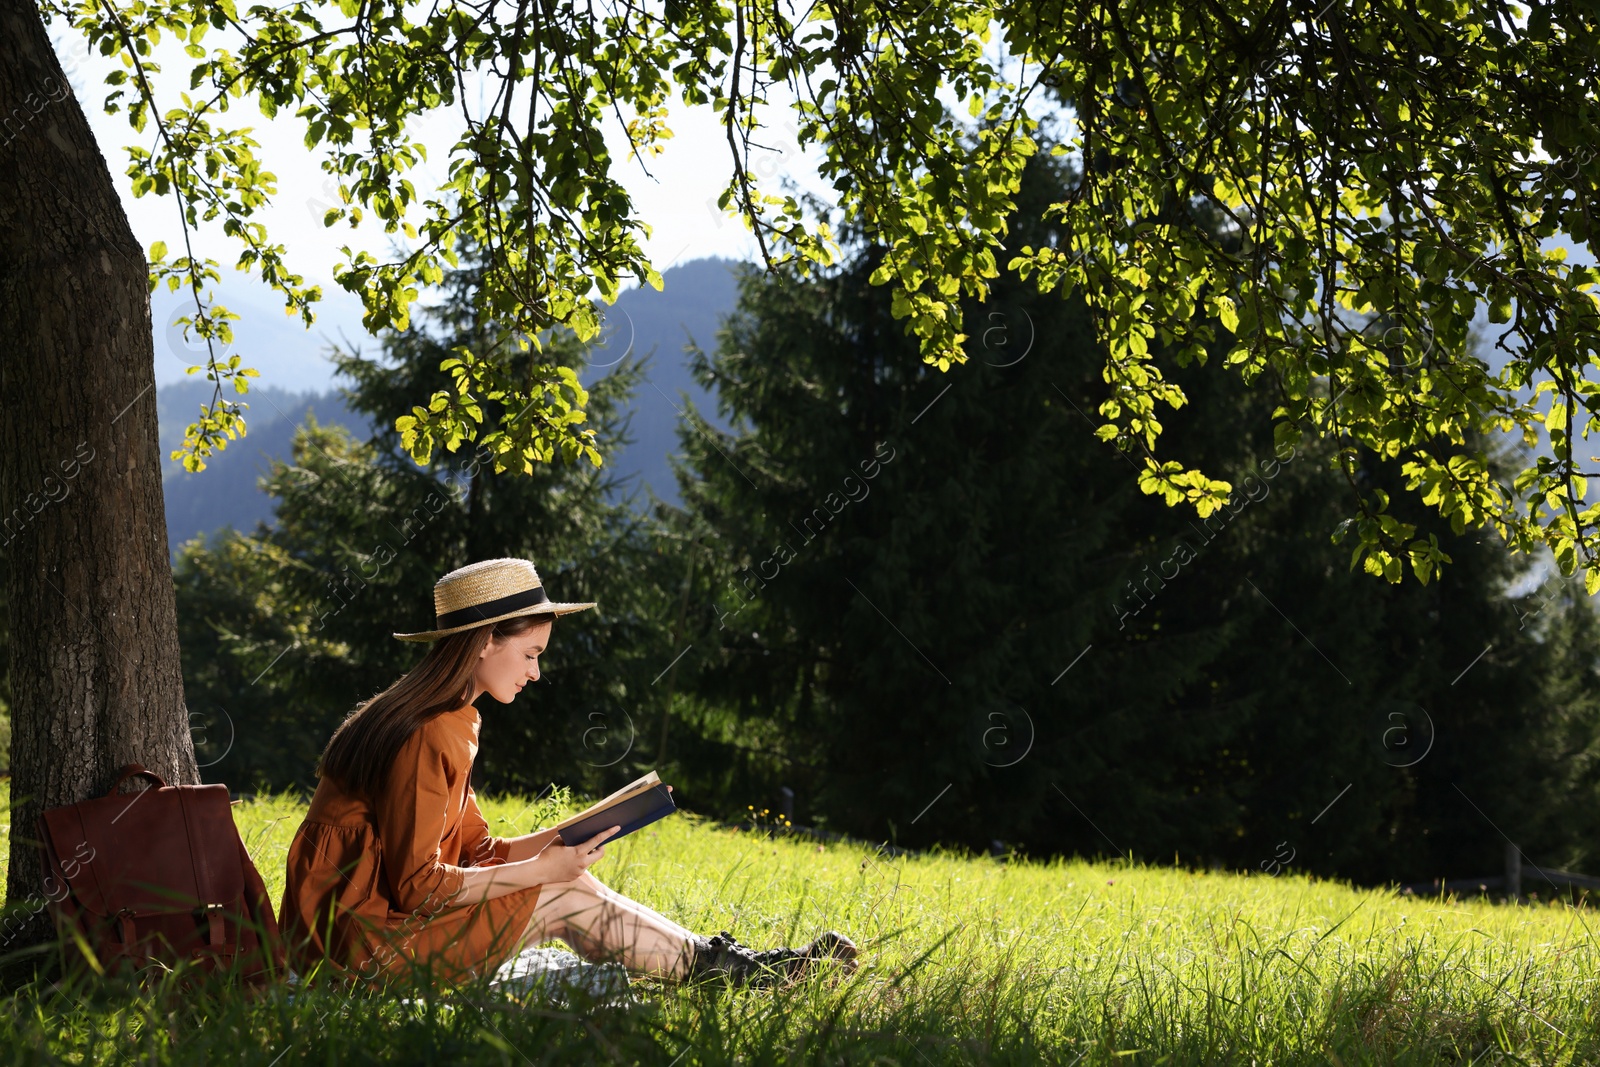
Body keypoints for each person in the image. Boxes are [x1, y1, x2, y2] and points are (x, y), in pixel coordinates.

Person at [278, 557, 858, 989]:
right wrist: (542, 870)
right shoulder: (431, 730)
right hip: (359, 951)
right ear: (484, 642)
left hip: (369, 929)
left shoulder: (440, 717)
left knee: (566, 879)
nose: (535, 674)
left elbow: (475, 850)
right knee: (556, 893)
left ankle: (729, 964)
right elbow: (418, 885)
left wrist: (564, 841)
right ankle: (735, 975)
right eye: (530, 654)